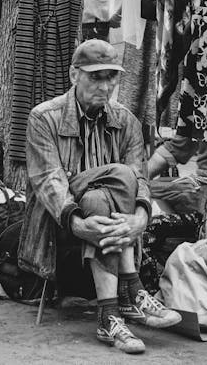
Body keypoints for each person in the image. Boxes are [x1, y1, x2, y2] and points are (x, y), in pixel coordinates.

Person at [18, 39, 181, 354]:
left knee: (98, 200)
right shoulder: (44, 118)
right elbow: (50, 183)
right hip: (58, 230)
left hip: (100, 229)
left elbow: (143, 181)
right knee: (121, 175)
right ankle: (132, 289)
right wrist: (78, 224)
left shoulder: (126, 121)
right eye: (95, 77)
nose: (105, 86)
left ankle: (109, 316)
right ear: (73, 75)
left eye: (111, 77)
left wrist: (140, 220)